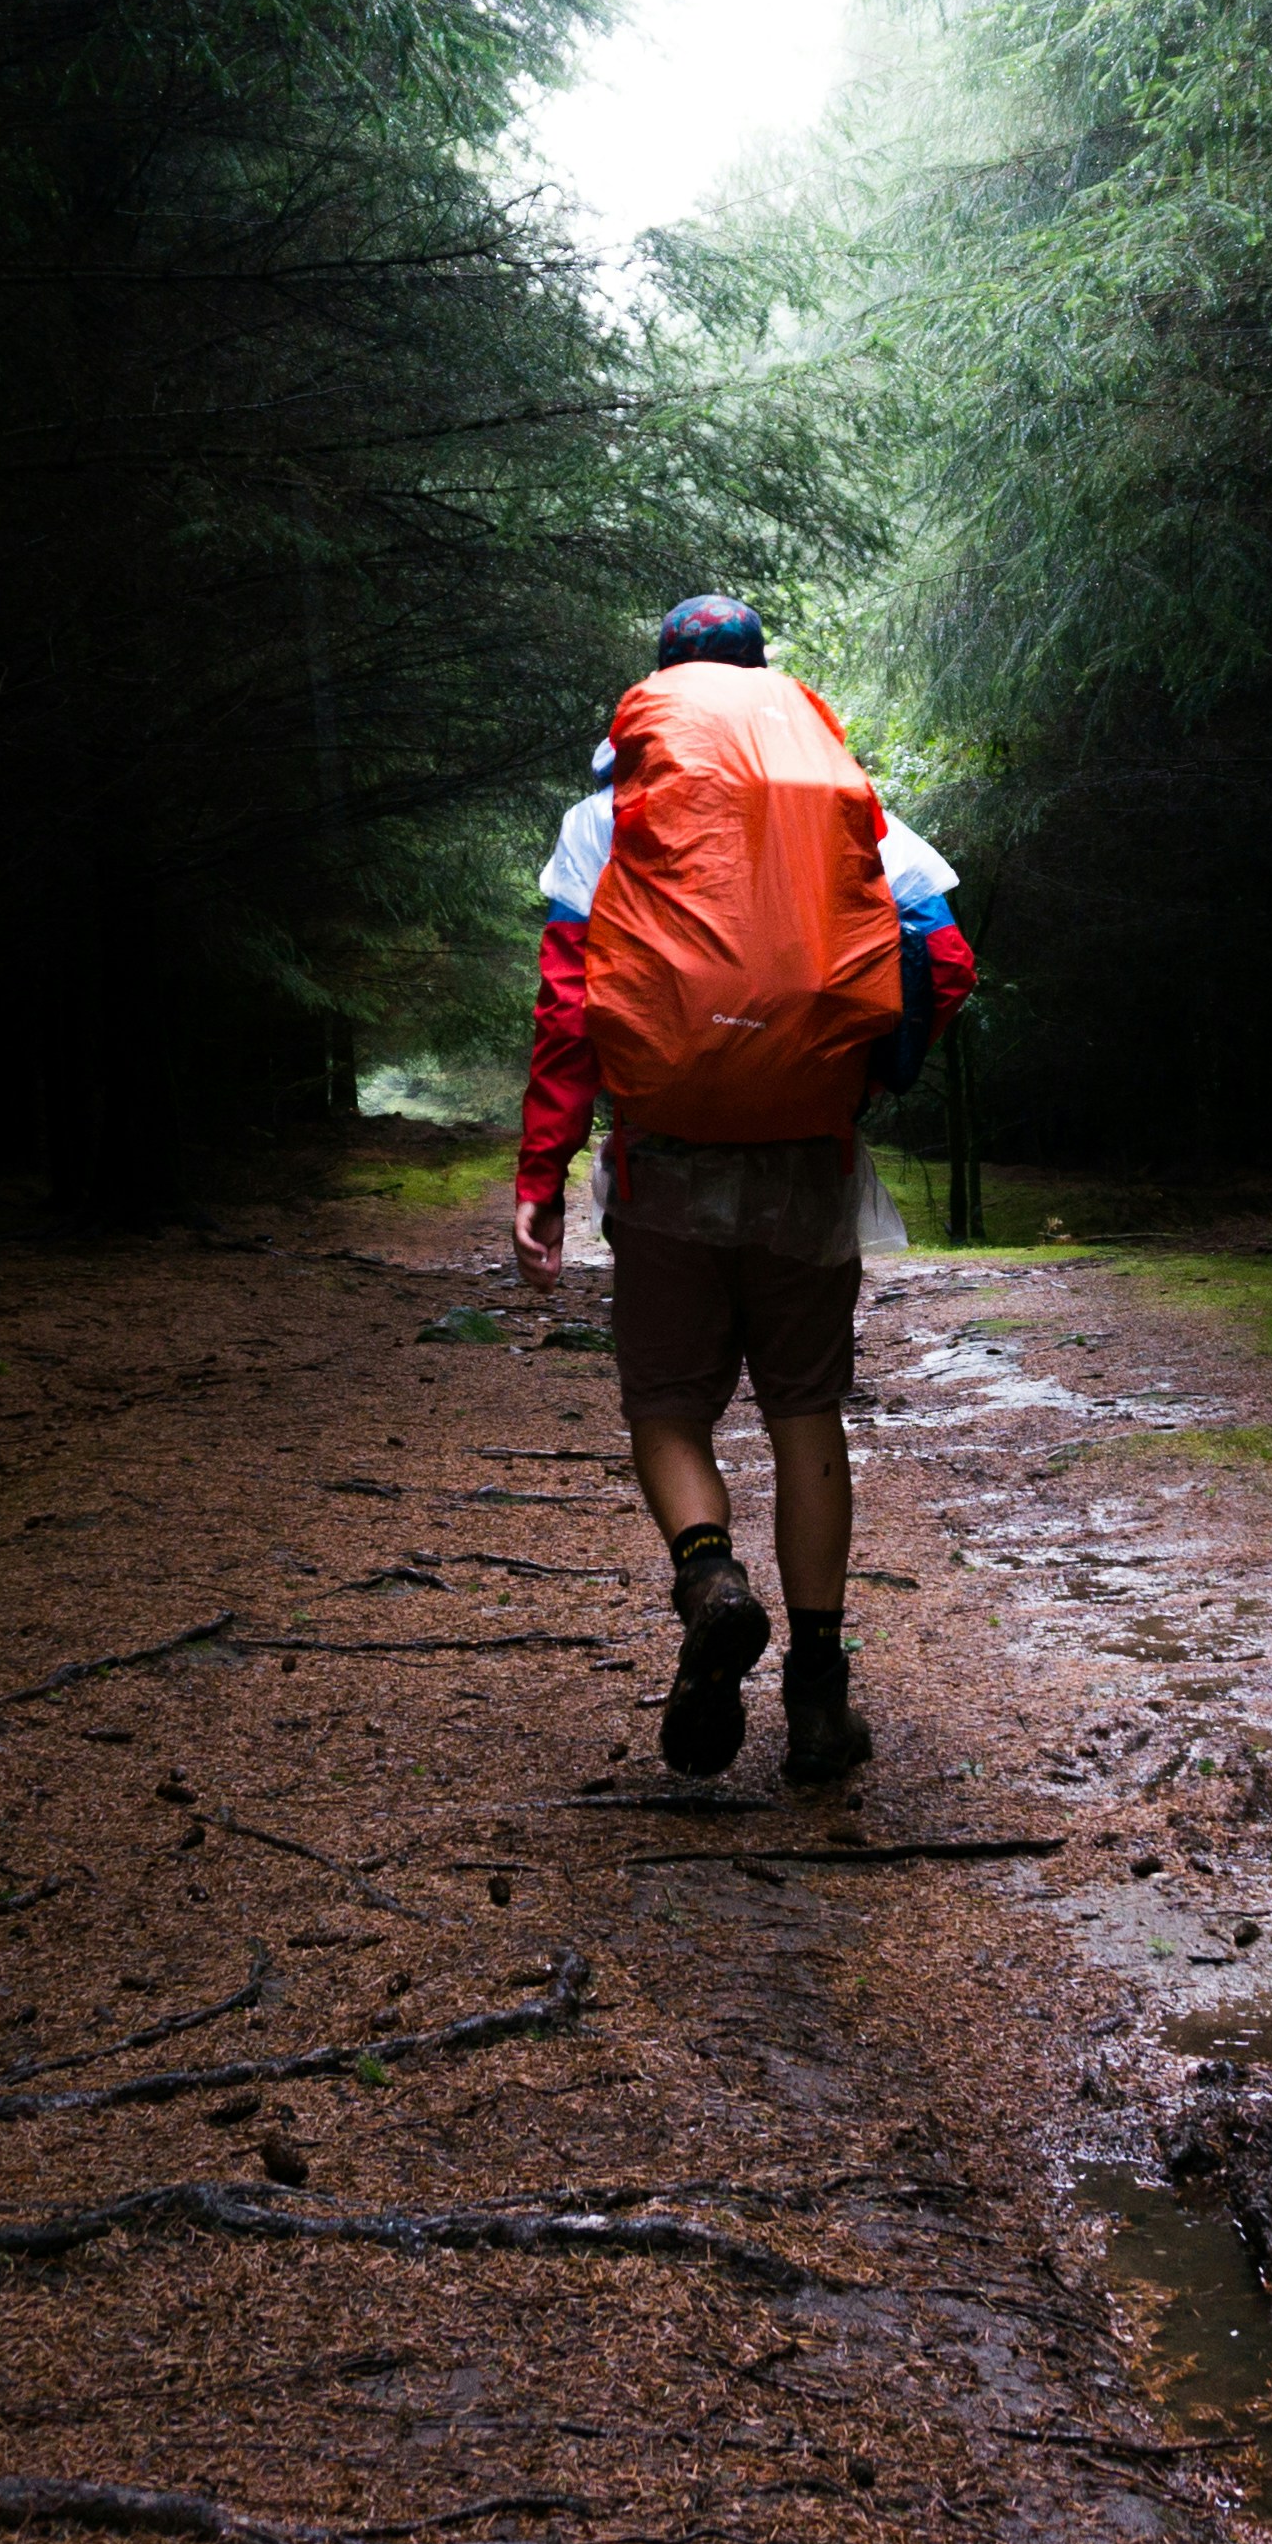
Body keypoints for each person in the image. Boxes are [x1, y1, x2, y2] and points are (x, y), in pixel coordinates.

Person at [511, 596, 975, 1781]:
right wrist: (861, 1065)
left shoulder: (604, 815)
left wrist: (544, 1173)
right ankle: (819, 1702)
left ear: (660, 690)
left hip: (662, 1152)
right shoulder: (837, 796)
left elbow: (569, 1005)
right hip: (807, 1160)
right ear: (764, 684)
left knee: (667, 1407)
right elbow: (946, 956)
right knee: (803, 1409)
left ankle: (709, 1575)